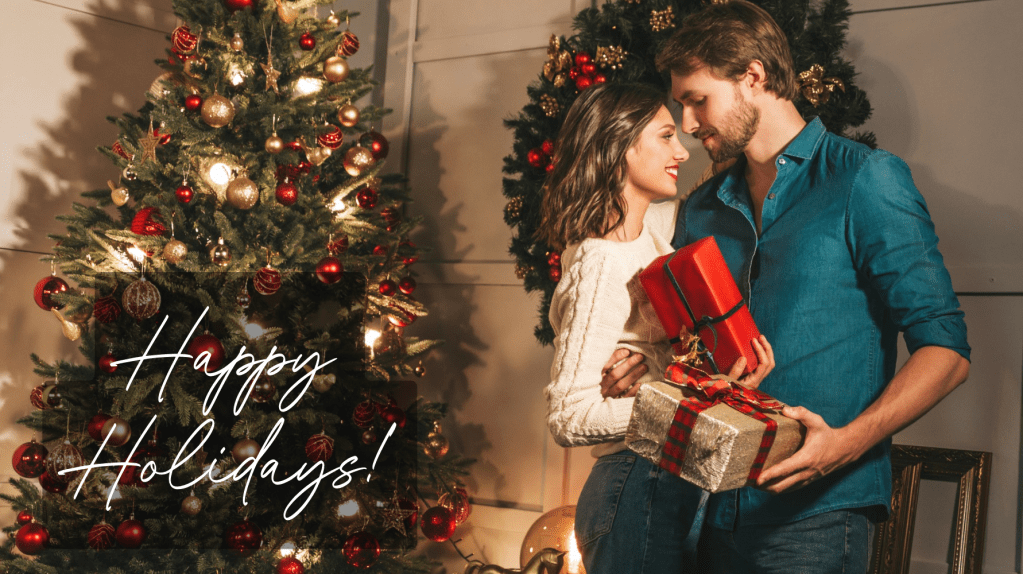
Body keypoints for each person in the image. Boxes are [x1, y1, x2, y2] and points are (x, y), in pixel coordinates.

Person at [599, 2, 971, 572]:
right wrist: (643, 362)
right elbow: (689, 350)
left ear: (753, 76)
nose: (689, 124)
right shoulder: (701, 208)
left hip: (816, 516)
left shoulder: (864, 179)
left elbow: (946, 352)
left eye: (698, 100)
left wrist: (845, 443)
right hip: (703, 511)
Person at [538, 82, 774, 574]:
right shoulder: (602, 261)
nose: (681, 151)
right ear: (620, 148)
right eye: (666, 136)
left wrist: (713, 385)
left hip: (668, 484)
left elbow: (715, 177)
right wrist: (695, 403)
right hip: (633, 485)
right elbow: (568, 417)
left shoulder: (651, 233)